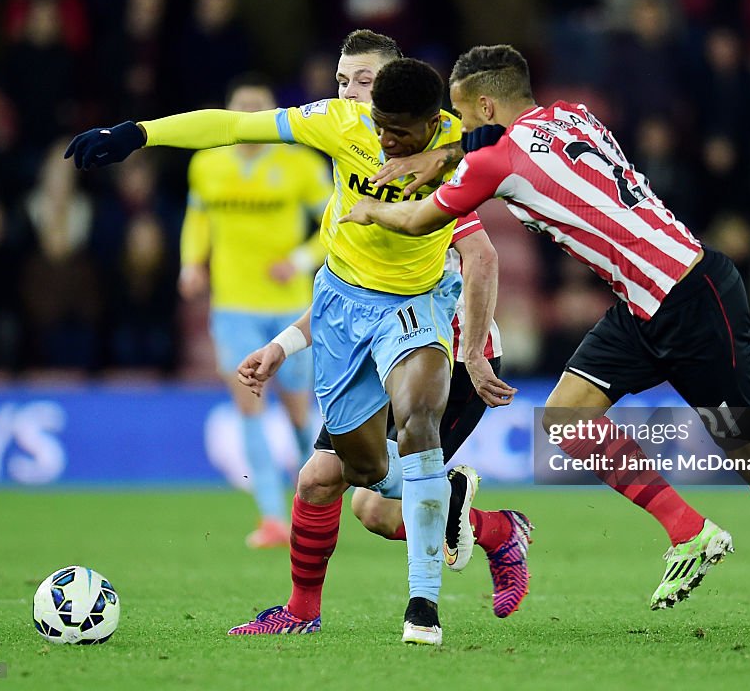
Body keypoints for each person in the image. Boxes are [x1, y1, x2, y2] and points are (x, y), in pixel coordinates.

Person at [340, 44, 750, 646]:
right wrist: (447, 152)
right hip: (642, 302)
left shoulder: (495, 161)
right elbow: (485, 151)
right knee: (566, 417)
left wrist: (367, 208)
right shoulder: (571, 115)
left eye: (465, 115)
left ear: (488, 104)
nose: (462, 126)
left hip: (691, 296)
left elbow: (420, 219)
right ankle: (688, 530)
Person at [64, 48, 505, 646]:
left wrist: (444, 153)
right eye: (373, 118)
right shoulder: (342, 124)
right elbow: (231, 126)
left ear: (430, 122)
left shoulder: (459, 139)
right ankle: (445, 496)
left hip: (418, 304)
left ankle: (422, 608)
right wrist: (140, 133)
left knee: (420, 420)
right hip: (342, 307)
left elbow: (511, 141)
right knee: (363, 471)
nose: (383, 139)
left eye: (399, 132)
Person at [226, 31, 531, 639]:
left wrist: (471, 351)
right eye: (343, 82)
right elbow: (351, 301)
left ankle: (427, 592)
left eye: (364, 81)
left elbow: (484, 256)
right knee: (350, 494)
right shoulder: (355, 166)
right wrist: (282, 347)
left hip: (441, 348)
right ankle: (493, 528)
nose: (351, 93)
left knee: (353, 490)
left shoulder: (438, 160)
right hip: (374, 349)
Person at [179, 73, 332, 548]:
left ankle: (315, 510)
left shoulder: (300, 165)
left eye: (256, 107)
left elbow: (338, 223)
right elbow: (197, 218)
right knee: (248, 406)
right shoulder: (207, 164)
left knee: (297, 410)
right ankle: (271, 516)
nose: (247, 116)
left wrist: (301, 260)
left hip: (290, 309)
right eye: (239, 106)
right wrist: (190, 263)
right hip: (234, 306)